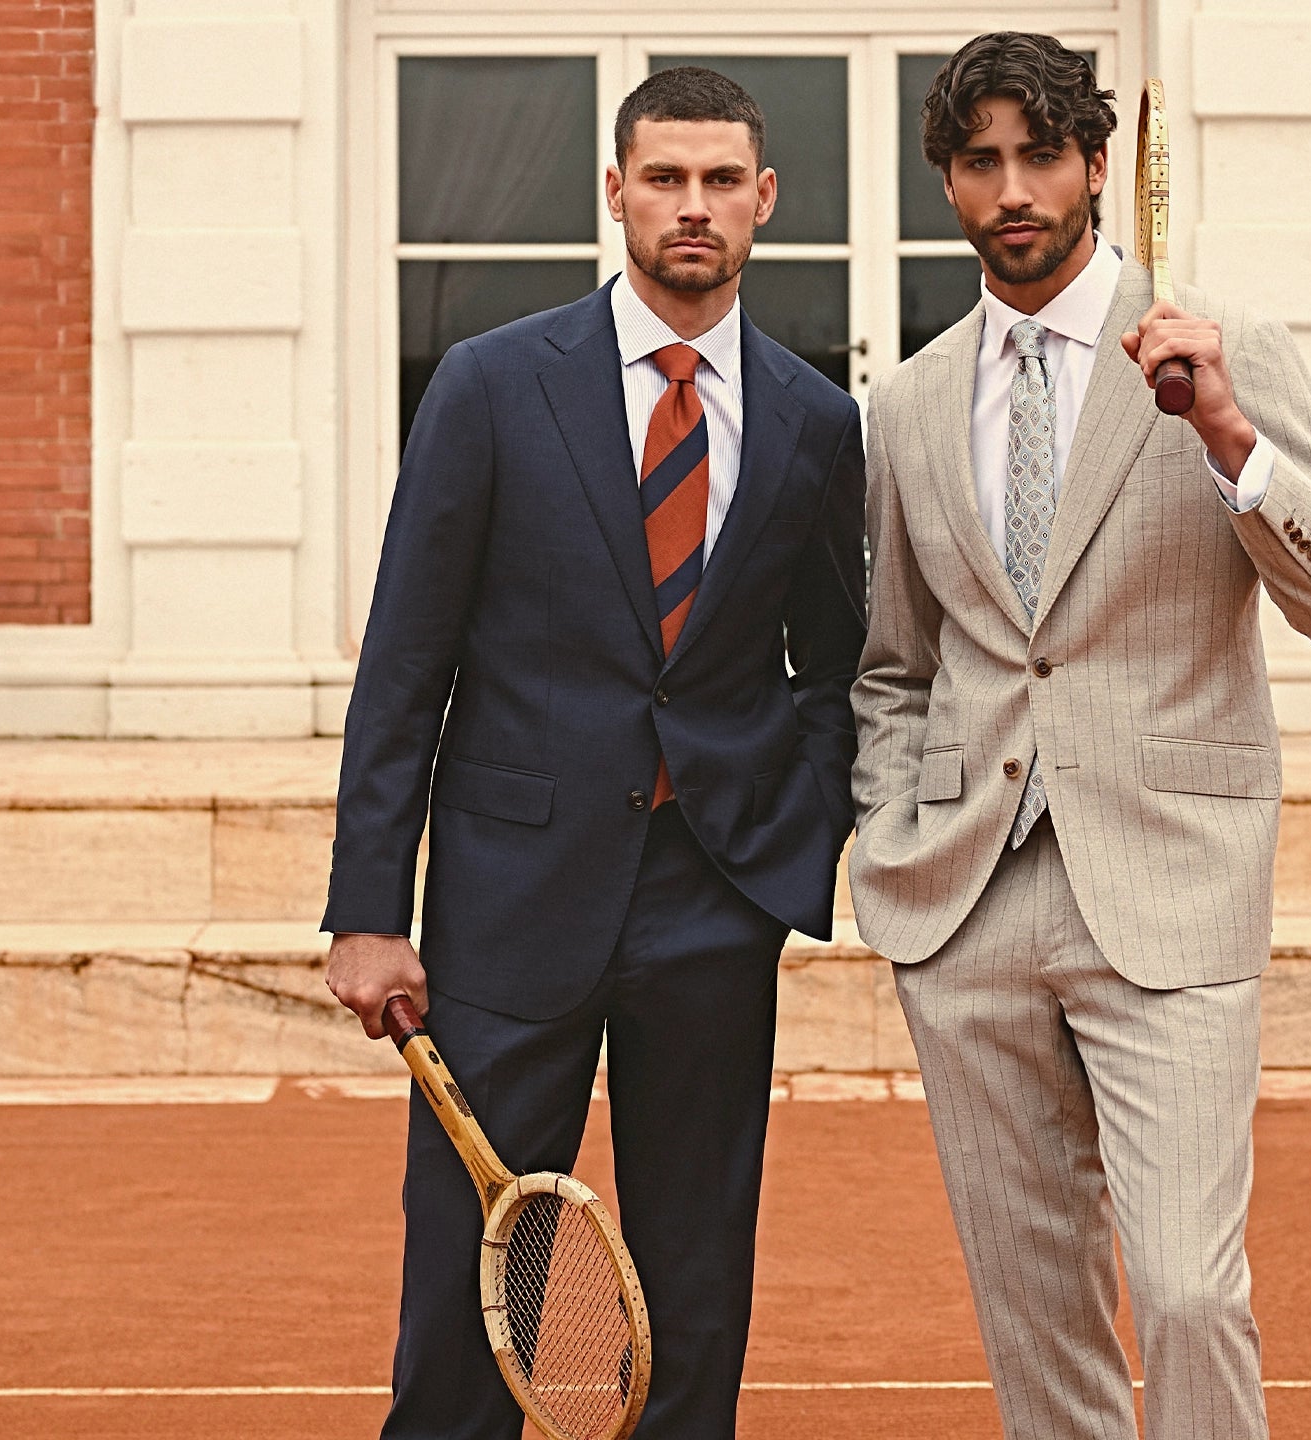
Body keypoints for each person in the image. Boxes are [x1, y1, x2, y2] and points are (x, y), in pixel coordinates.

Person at [848, 32, 1311, 1439]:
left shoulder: (1224, 353)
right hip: (967, 905)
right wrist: (893, 832)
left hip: (1170, 889)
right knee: (1032, 1307)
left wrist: (1228, 435)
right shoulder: (909, 404)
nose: (1014, 187)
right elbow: (893, 666)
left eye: (1041, 153)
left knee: (1187, 1290)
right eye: (981, 161)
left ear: (1100, 163)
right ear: (949, 184)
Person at [321, 66, 866, 1440]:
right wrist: (369, 911)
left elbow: (841, 665)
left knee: (695, 1261)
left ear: (767, 200)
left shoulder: (814, 420)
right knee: (471, 1265)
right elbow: (405, 665)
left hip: (712, 894)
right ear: (614, 190)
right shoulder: (493, 386)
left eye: (722, 181)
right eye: (666, 178)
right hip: (510, 893)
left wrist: (785, 835)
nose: (695, 207)